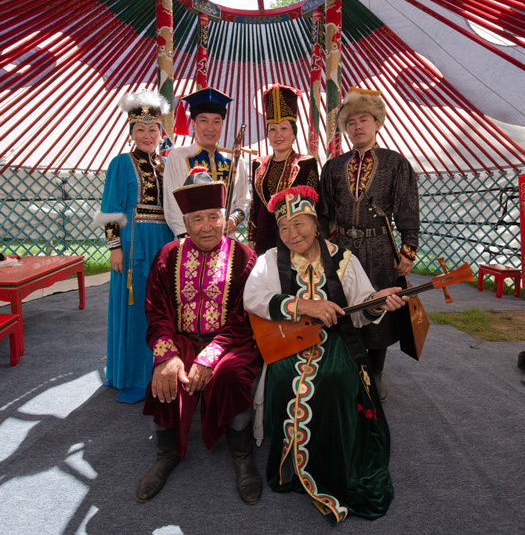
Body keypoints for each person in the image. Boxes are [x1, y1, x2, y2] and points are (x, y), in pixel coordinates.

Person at [243, 185, 408, 526]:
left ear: (316, 223)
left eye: (299, 223)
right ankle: (293, 461)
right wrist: (302, 305)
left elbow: (362, 309)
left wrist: (378, 302)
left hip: (336, 342)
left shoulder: (343, 259)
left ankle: (330, 461)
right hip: (288, 341)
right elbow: (253, 298)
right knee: (286, 377)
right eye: (284, 227)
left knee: (333, 380)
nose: (291, 233)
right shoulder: (270, 260)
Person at [136, 168, 262, 505]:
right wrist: (167, 355)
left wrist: (210, 356)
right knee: (167, 376)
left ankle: (242, 456)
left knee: (232, 375)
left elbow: (244, 318)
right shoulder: (167, 256)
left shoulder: (245, 257)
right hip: (182, 340)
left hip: (231, 342)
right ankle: (166, 453)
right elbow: (157, 312)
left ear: (224, 218)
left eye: (214, 217)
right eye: (197, 219)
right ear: (186, 221)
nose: (207, 226)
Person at [317, 88, 419, 401]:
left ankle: (375, 373)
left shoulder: (395, 163)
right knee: (346, 305)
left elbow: (407, 207)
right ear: (345, 128)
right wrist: (322, 248)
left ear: (377, 124)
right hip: (343, 246)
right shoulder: (333, 166)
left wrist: (408, 249)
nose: (357, 126)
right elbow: (323, 212)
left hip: (379, 248)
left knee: (379, 308)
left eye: (364, 120)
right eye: (351, 122)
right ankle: (348, 367)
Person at [93, 91, 173, 404]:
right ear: (131, 132)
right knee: (136, 308)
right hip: (133, 243)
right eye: (140, 129)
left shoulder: (166, 165)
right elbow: (111, 208)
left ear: (160, 132)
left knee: (161, 308)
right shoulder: (120, 164)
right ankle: (134, 375)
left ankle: (160, 369)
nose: (147, 134)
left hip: (163, 241)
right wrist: (115, 247)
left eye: (153, 128)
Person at [163, 87, 249, 239]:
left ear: (222, 126)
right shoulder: (178, 157)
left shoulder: (235, 160)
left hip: (227, 239)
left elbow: (244, 199)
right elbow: (173, 205)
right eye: (203, 121)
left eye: (216, 121)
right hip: (191, 239)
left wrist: (234, 219)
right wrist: (187, 238)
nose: (210, 127)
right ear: (194, 125)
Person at [247, 84, 319, 255]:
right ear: (267, 134)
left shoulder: (306, 163)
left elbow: (314, 207)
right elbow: (254, 207)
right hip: (263, 242)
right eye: (272, 129)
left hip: (295, 242)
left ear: (294, 133)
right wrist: (250, 239)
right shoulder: (258, 164)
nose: (278, 134)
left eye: (284, 128)